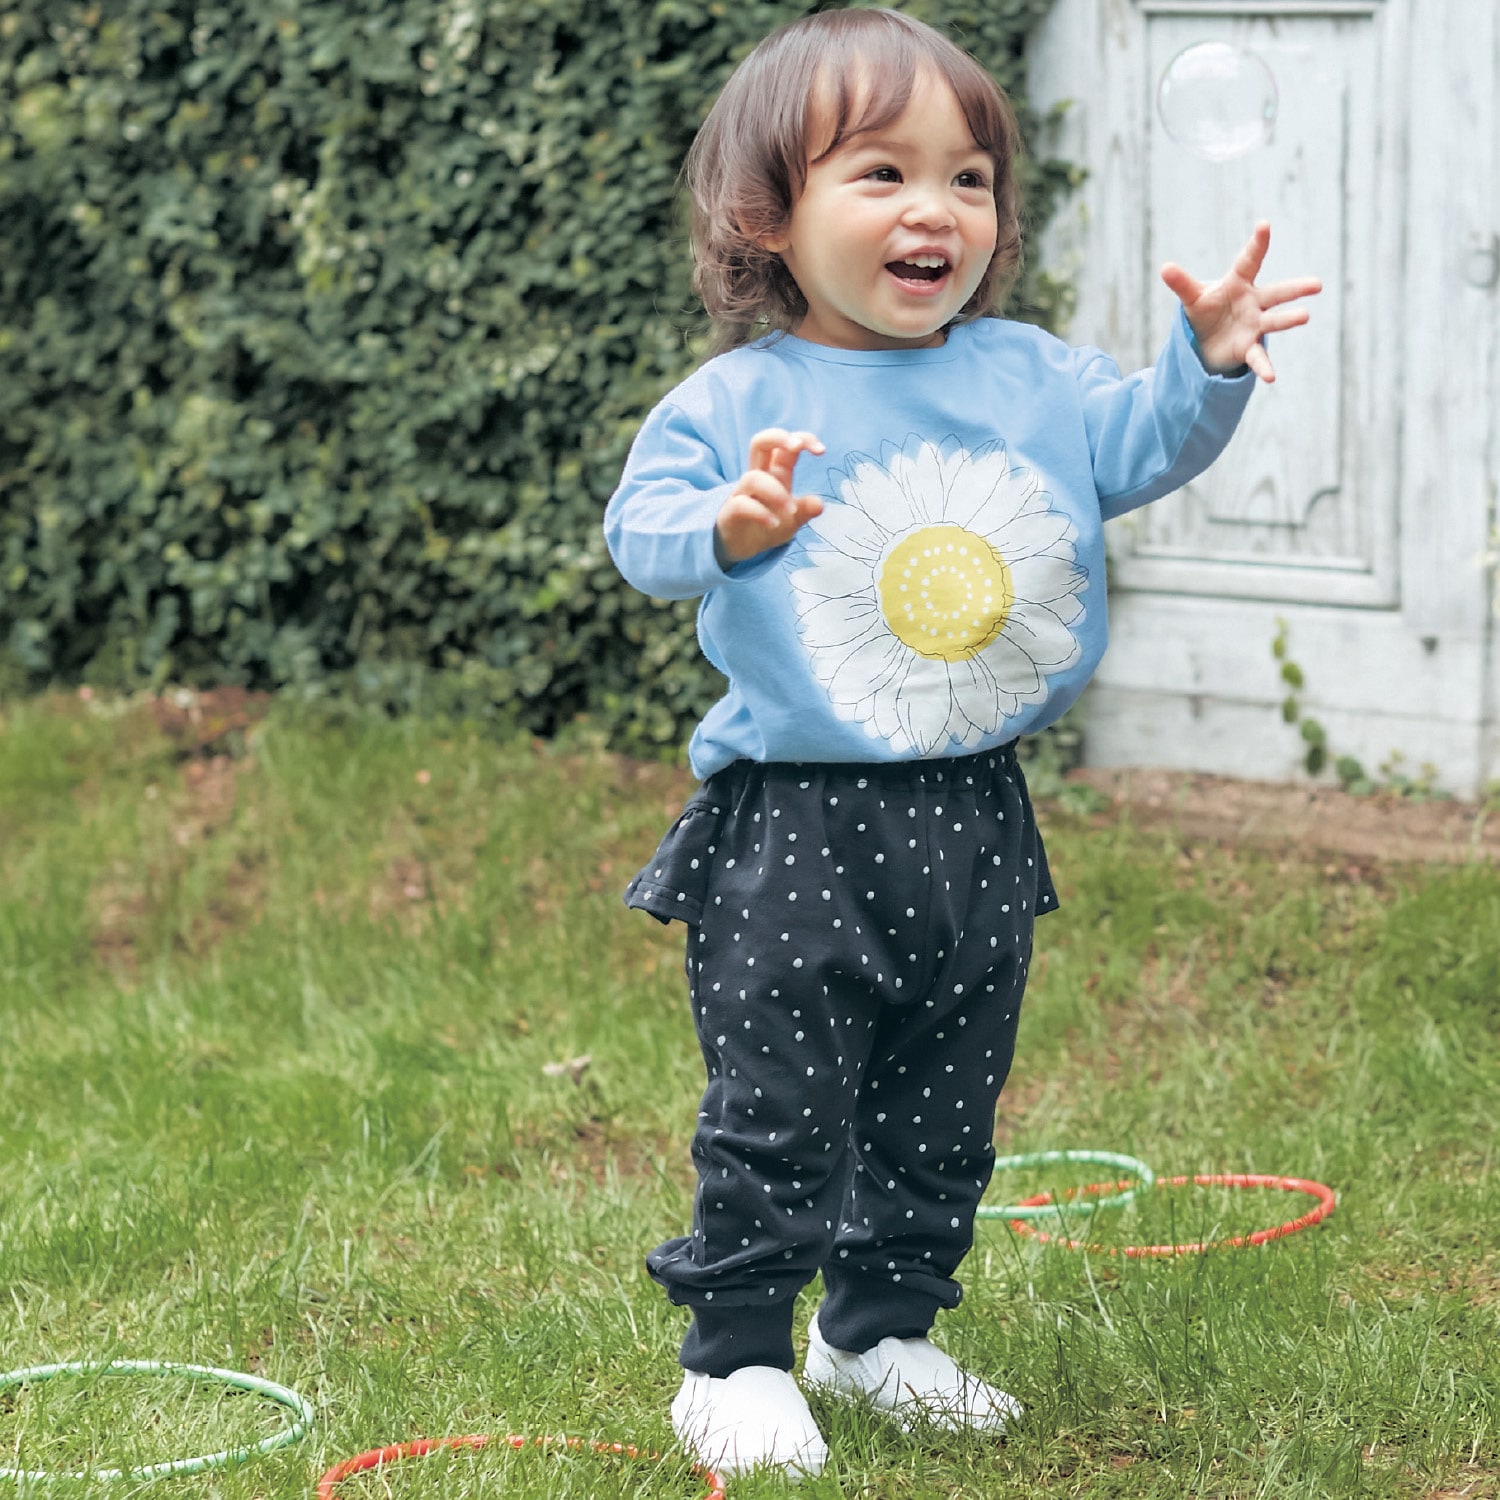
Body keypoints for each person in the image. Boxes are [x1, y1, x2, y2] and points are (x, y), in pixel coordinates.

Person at [603, 6, 1319, 1480]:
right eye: (881, 173)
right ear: (769, 217)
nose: (937, 208)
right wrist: (730, 524)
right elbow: (641, 535)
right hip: (796, 823)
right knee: (782, 1109)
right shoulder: (735, 404)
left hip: (979, 813)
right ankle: (733, 1357)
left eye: (970, 178)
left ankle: (878, 1334)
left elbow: (1141, 443)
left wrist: (1209, 367)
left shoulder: (1033, 378)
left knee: (943, 1102)